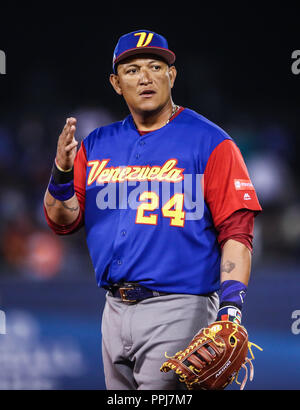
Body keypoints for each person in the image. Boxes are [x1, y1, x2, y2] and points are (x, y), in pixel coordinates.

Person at [43, 29, 262, 390]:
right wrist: (62, 172)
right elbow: (61, 221)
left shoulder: (211, 142)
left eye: (155, 66)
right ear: (116, 83)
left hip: (180, 309)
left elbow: (237, 232)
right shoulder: (97, 143)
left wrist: (231, 308)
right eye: (131, 70)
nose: (144, 77)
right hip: (113, 310)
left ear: (171, 75)